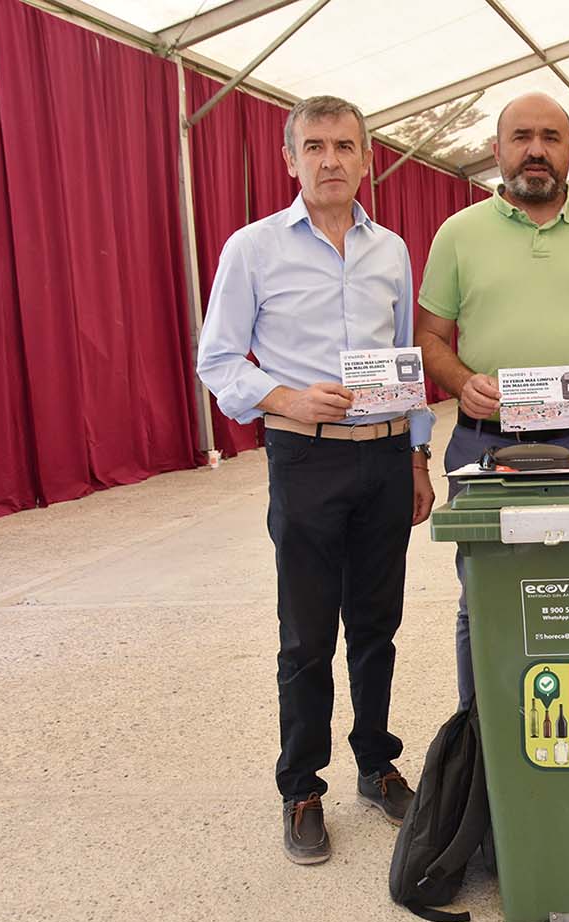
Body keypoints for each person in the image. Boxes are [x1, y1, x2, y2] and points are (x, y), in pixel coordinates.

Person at [197, 96, 435, 865]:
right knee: (305, 636)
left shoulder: (390, 249)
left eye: (344, 145)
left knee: (376, 625)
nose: (330, 159)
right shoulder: (253, 248)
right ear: (289, 159)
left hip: (385, 460)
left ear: (366, 158)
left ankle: (376, 764)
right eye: (315, 146)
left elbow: (406, 356)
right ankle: (301, 787)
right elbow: (217, 359)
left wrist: (417, 455)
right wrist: (286, 397)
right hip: (306, 457)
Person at [415, 93, 569, 711]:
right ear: (497, 150)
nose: (536, 150)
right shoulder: (458, 234)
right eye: (522, 137)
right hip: (485, 446)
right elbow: (430, 338)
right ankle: (482, 735)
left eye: (550, 137)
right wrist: (462, 381)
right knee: (484, 597)